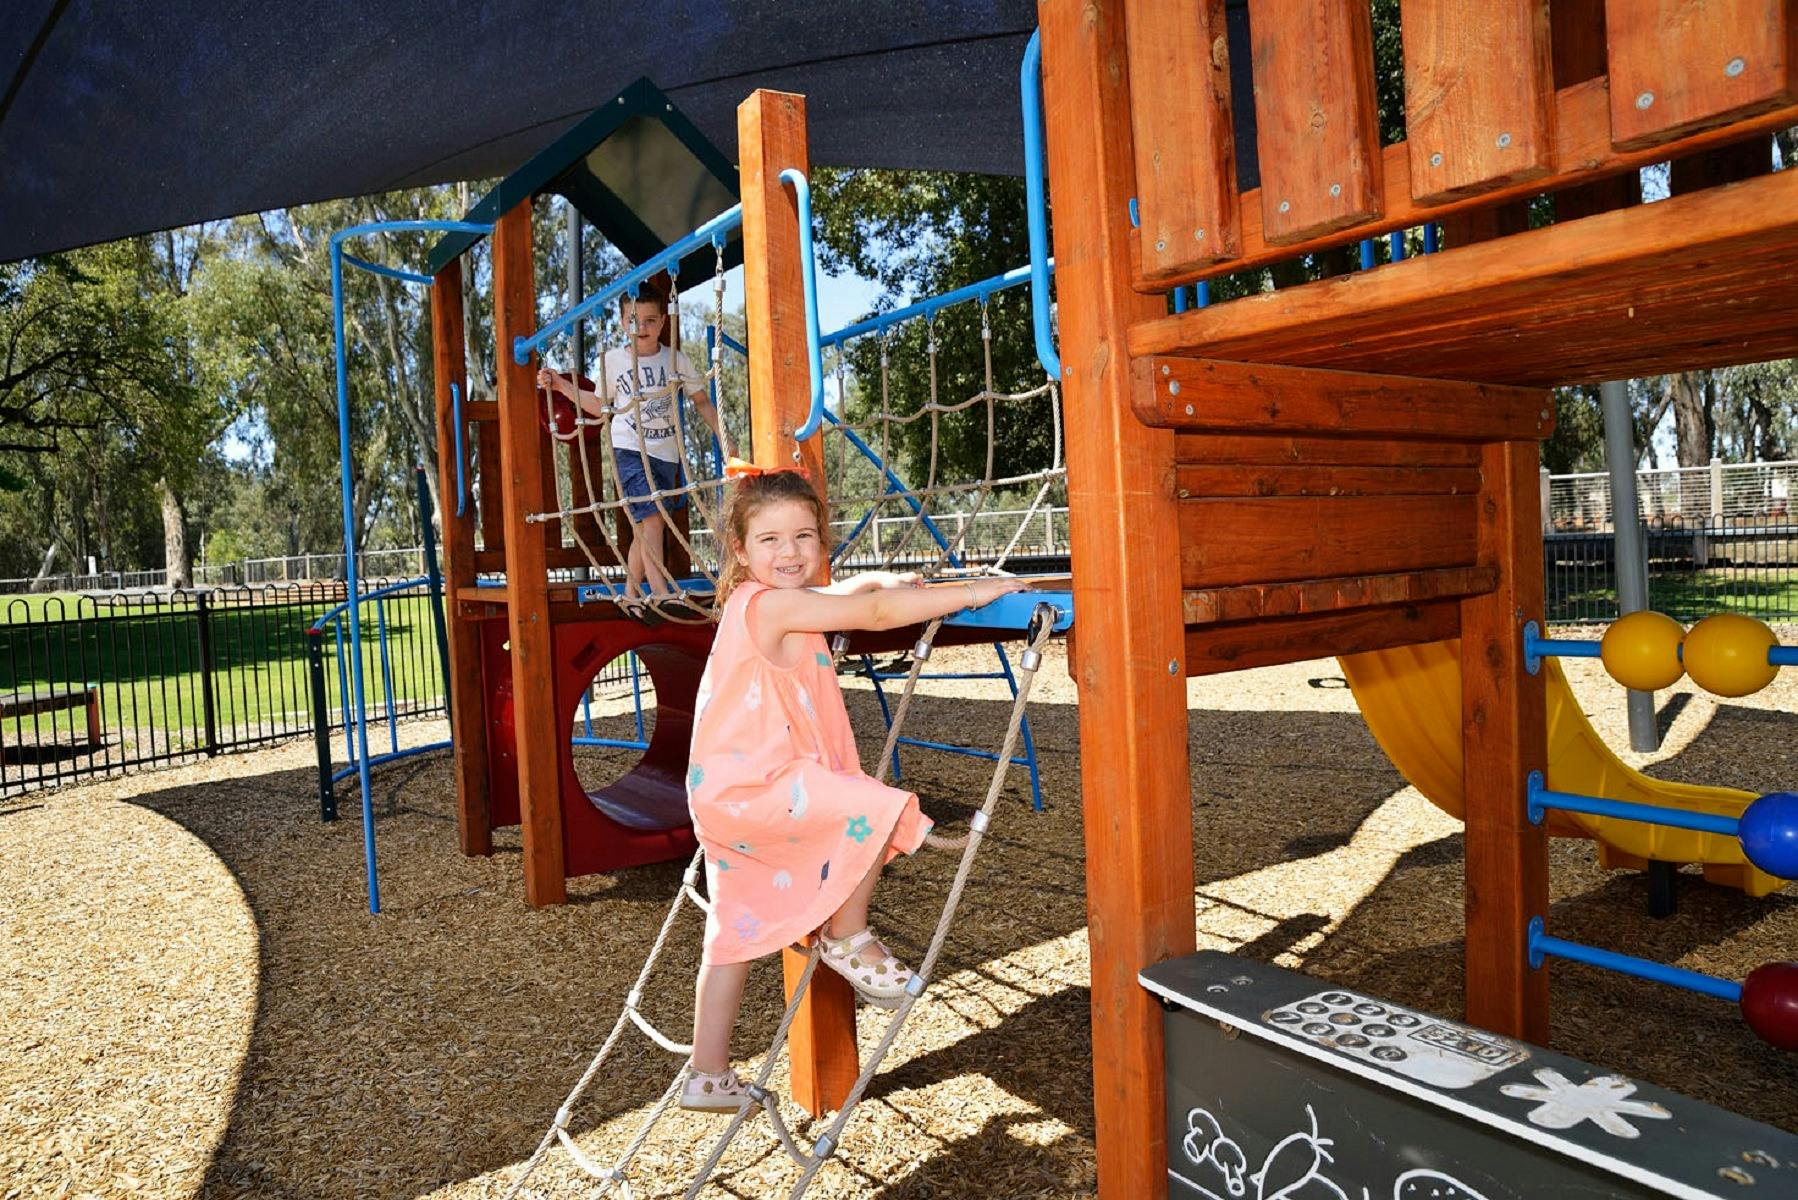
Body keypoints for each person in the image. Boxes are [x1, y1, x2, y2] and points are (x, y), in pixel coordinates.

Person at [678, 468, 1027, 1111]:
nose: (790, 553)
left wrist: (883, 581)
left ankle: (706, 1073)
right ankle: (846, 936)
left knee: (732, 931)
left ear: (821, 540)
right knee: (873, 805)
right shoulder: (773, 604)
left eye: (804, 536)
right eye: (770, 540)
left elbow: (851, 594)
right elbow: (867, 613)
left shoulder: (759, 601)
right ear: (740, 551)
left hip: (726, 796)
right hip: (766, 785)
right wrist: (972, 590)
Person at [536, 274, 728, 601]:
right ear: (624, 322)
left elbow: (702, 402)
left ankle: (629, 591)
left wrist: (725, 438)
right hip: (630, 450)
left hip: (666, 454)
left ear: (663, 321)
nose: (642, 328)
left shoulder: (675, 360)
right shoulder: (613, 360)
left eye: (651, 320)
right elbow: (599, 407)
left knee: (649, 526)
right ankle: (659, 590)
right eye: (633, 321)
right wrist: (562, 386)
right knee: (651, 520)